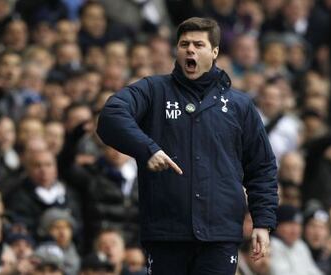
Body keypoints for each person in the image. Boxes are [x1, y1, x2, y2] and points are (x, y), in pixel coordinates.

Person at [97, 17, 278, 275]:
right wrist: (148, 148)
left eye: (198, 44)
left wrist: (263, 222)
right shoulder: (154, 90)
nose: (190, 50)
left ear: (214, 52)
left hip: (219, 236)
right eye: (184, 44)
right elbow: (111, 115)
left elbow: (262, 167)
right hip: (166, 233)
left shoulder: (240, 105)